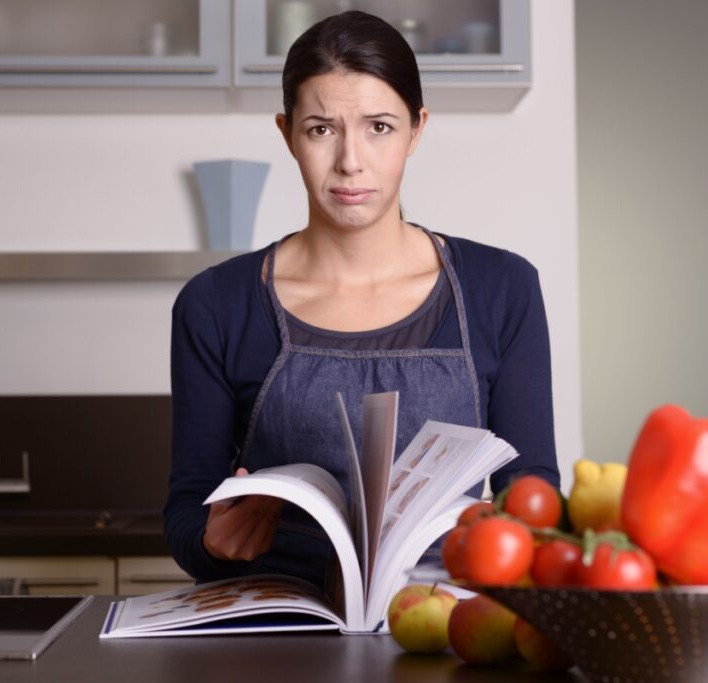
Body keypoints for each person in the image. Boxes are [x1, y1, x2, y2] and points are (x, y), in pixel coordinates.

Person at [164, 11, 559, 592]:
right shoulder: (214, 304)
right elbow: (184, 517)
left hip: (445, 625)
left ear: (417, 129)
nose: (351, 161)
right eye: (322, 129)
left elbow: (534, 495)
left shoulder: (503, 288)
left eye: (379, 127)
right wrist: (214, 542)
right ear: (287, 132)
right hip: (279, 630)